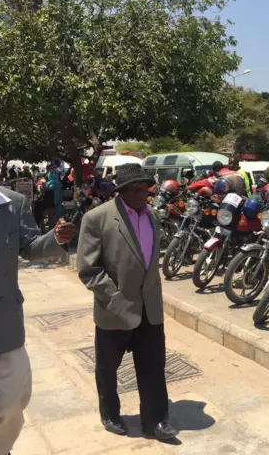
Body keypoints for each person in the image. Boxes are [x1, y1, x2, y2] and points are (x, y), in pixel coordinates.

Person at [0, 140, 75, 455]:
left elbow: (29, 247)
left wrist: (54, 239)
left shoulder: (13, 203)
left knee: (13, 402)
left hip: (4, 322)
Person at [76, 163, 177, 440]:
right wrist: (115, 297)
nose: (138, 193)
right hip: (115, 309)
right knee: (108, 368)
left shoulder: (153, 216)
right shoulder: (97, 218)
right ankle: (109, 413)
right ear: (119, 190)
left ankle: (155, 420)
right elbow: (88, 268)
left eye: (142, 187)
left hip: (149, 309)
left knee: (153, 367)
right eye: (131, 188)